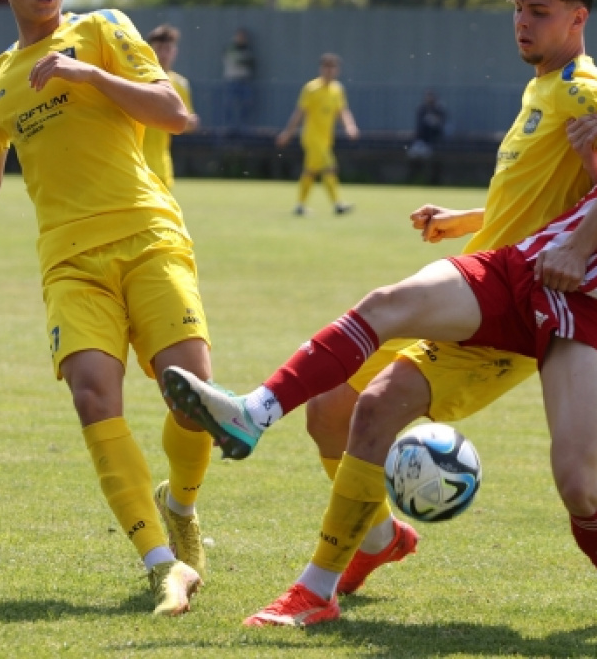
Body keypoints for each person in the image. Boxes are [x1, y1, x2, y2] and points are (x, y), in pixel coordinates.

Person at [165, 0, 597, 626]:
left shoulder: (580, 89)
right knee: (330, 411)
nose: (523, 23)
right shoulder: (542, 84)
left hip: (518, 317)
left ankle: (315, 586)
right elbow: (546, 202)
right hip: (491, 279)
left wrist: (576, 242)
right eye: (517, 10)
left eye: (539, 12)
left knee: (381, 405)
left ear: (577, 18)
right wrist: (466, 221)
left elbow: (577, 214)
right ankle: (377, 537)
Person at [162, 172, 597, 625]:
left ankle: (363, 547)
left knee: (580, 487)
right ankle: (255, 416)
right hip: (527, 264)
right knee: (385, 313)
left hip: (583, 298)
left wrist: (579, 247)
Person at [0, 0, 217, 617]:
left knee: (192, 396)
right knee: (94, 397)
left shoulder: (102, 30)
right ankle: (164, 565)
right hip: (69, 261)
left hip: (148, 236)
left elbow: (173, 113)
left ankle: (182, 505)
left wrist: (88, 76)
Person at [276, 53, 360, 216]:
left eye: (332, 67)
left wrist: (350, 126)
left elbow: (342, 111)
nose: (329, 71)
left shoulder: (337, 90)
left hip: (326, 138)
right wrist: (288, 133)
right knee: (330, 167)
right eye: (326, 67)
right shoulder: (311, 89)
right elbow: (299, 113)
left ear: (337, 70)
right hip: (312, 138)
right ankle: (338, 204)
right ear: (321, 69)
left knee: (310, 172)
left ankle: (300, 206)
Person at [143, 24, 200, 189]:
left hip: (162, 166)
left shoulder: (180, 85)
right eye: (159, 48)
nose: (164, 54)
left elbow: (184, 124)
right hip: (138, 164)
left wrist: (190, 123)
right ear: (150, 50)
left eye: (168, 49)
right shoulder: (138, 79)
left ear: (175, 52)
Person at [222, 27, 256, 131]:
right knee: (230, 103)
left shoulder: (248, 49)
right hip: (232, 80)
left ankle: (244, 127)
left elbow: (251, 62)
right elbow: (235, 60)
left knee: (247, 103)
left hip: (244, 80)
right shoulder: (231, 48)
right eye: (239, 36)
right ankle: (230, 126)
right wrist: (244, 59)